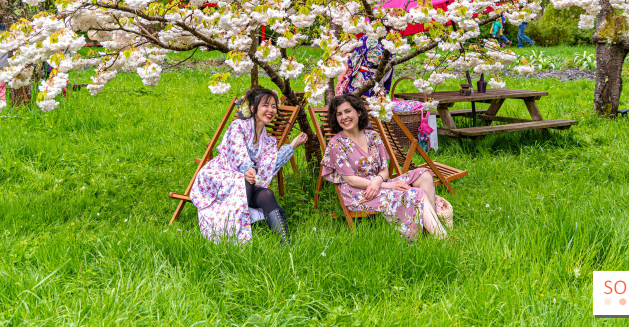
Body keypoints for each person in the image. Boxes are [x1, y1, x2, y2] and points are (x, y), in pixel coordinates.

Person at [320, 94, 448, 240]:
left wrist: (378, 181)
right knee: (415, 193)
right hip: (359, 193)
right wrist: (387, 185)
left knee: (424, 174)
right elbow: (350, 180)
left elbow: (384, 170)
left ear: (359, 112)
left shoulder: (373, 136)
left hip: (379, 184)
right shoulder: (336, 144)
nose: (344, 117)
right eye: (339, 114)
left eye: (348, 111)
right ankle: (441, 238)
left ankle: (429, 226)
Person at [190, 88, 307, 244]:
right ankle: (230, 235)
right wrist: (248, 169)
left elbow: (270, 164)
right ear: (253, 108)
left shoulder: (269, 141)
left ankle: (286, 244)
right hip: (221, 176)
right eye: (265, 105)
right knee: (246, 179)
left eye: (273, 106)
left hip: (246, 183)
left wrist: (293, 145)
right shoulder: (238, 126)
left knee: (267, 194)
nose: (270, 110)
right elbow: (237, 151)